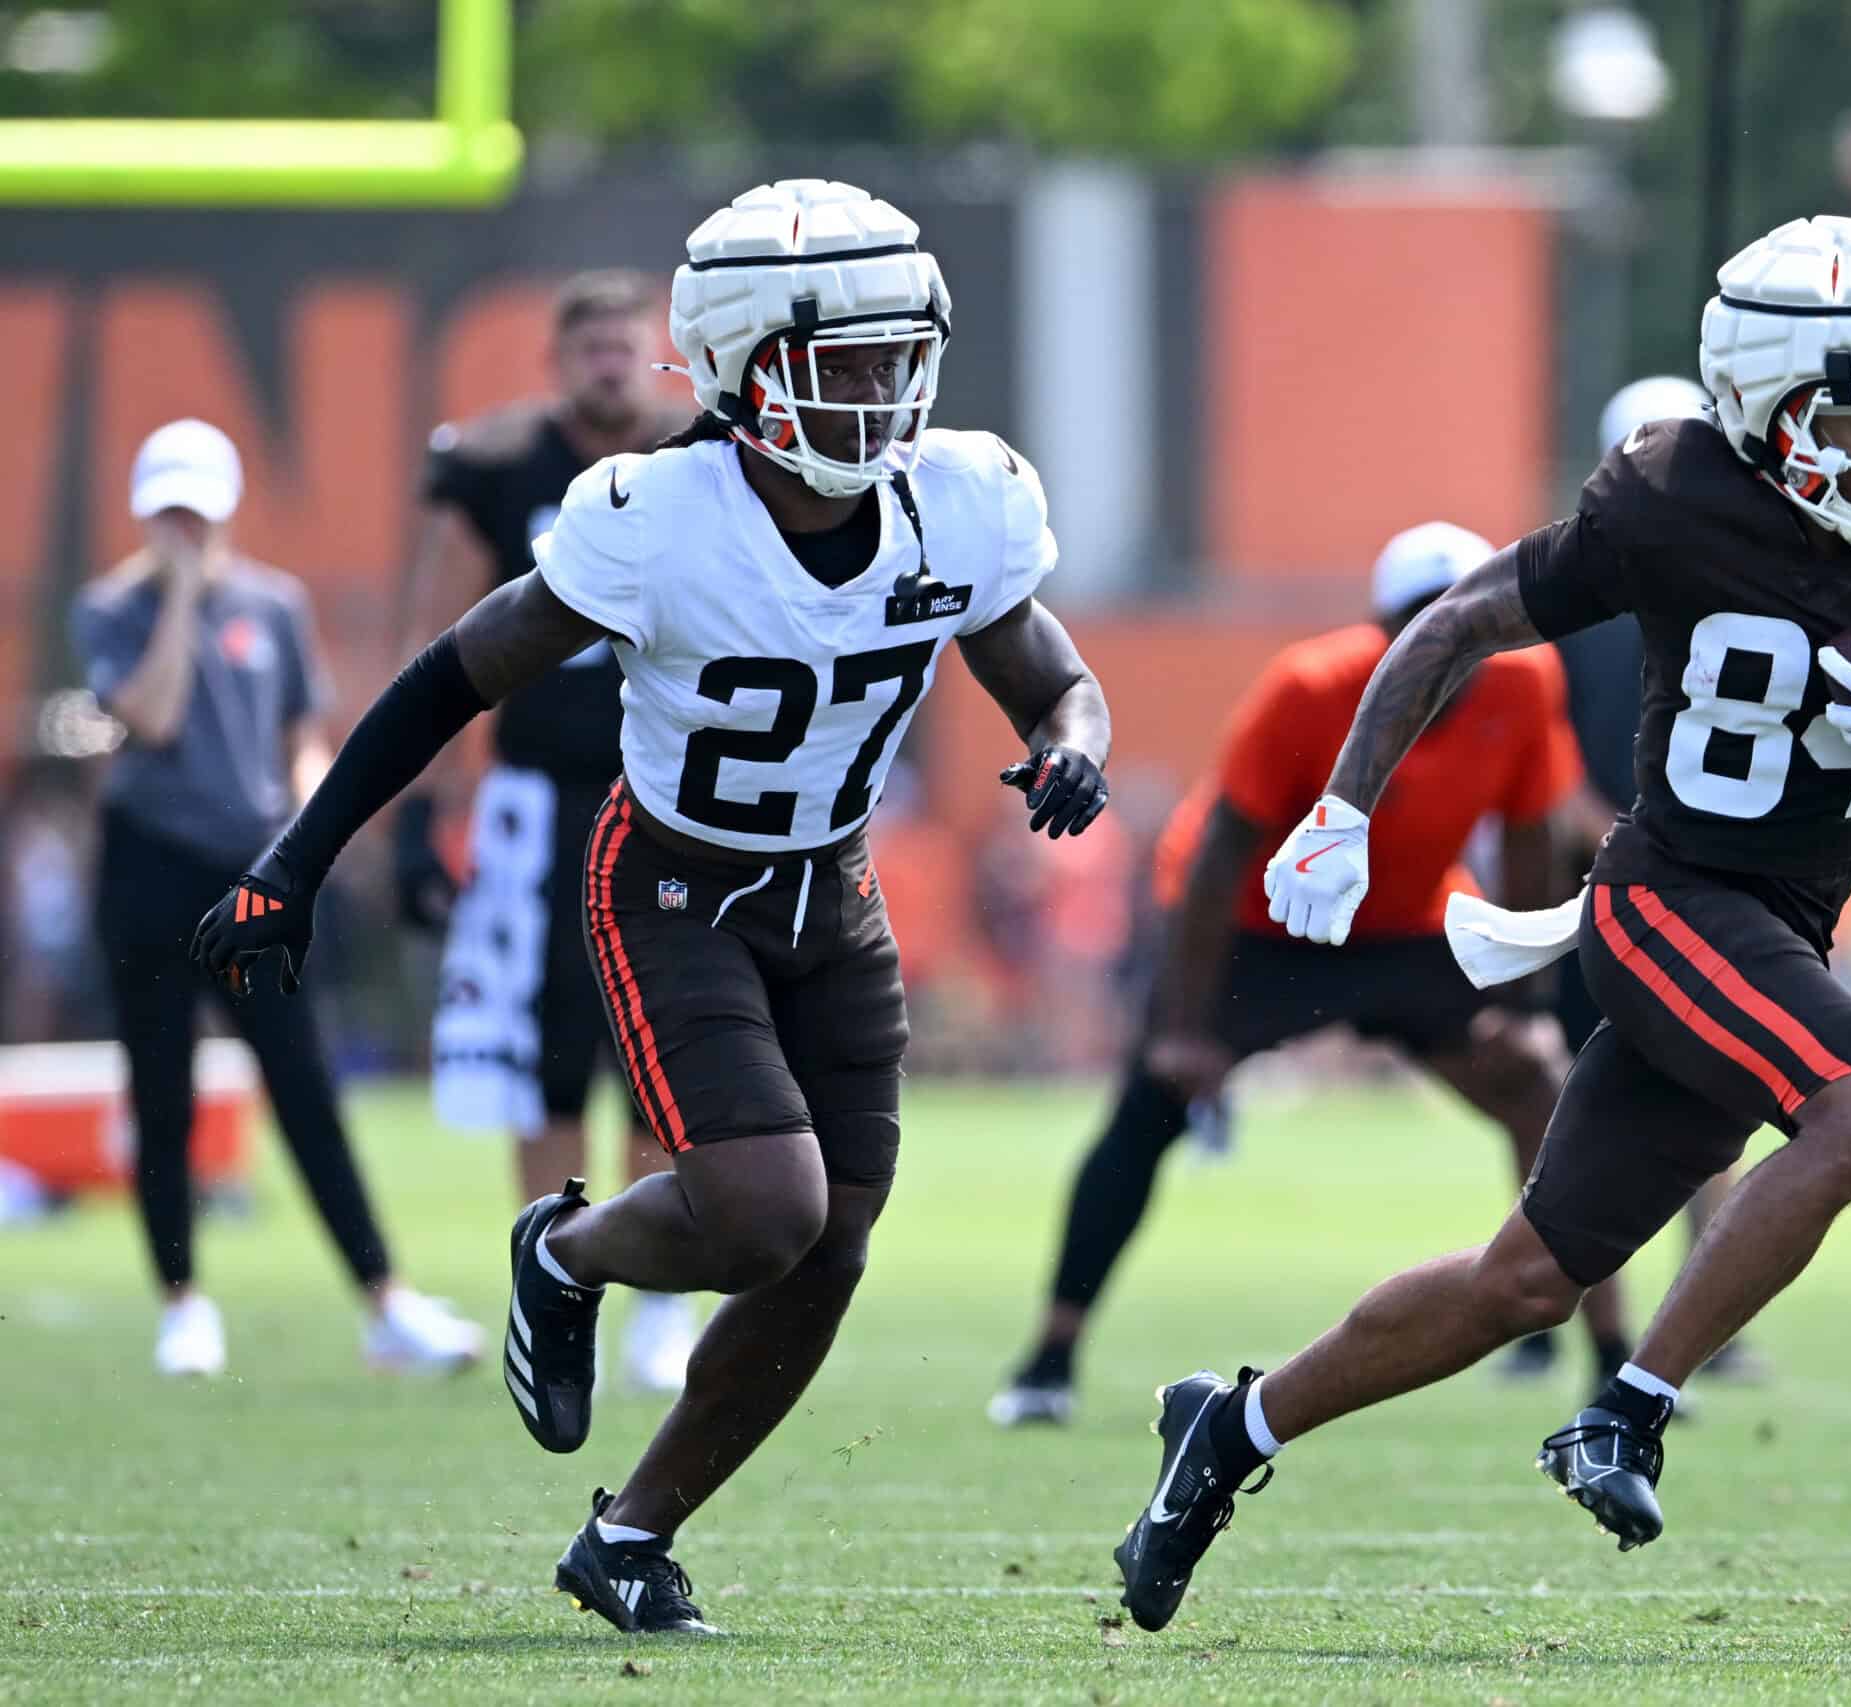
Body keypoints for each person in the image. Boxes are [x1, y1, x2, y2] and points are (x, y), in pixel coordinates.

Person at [1105, 215, 1851, 1631]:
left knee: (1522, 1276)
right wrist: (1344, 807)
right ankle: (1630, 1409)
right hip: (1666, 898)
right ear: (1769, 411)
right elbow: (1459, 617)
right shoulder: (1672, 497)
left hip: (1778, 927)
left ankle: (1228, 1426)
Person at [192, 179, 1113, 1637]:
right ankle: (561, 1250)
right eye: (848, 360)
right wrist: (296, 860)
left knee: (835, 1245)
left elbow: (1048, 668)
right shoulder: (656, 516)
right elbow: (452, 672)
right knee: (766, 1210)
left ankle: (628, 1530)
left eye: (897, 357)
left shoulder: (962, 495)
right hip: (676, 881)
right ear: (750, 370)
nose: (884, 392)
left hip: (837, 889)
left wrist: (1075, 740)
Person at [989, 521, 1621, 1427]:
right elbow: (1219, 848)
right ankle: (1050, 1354)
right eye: (1419, 624)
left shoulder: (1524, 683)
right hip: (1264, 923)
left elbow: (1530, 831)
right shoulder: (1312, 687)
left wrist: (1520, 1001)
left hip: (1407, 923)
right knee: (1149, 1106)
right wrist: (1184, 1024)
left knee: (1538, 1080)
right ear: (1385, 629)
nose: (1443, 647)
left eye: (1461, 624)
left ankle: (1603, 1352)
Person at [77, 418, 485, 1380]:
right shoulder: (110, 609)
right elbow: (153, 713)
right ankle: (182, 1301)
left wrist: (312, 826)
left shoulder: (275, 603)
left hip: (248, 869)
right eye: (166, 508)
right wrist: (178, 598)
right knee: (162, 1088)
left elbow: (301, 729)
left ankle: (385, 1299)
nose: (182, 525)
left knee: (304, 1088)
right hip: (148, 865)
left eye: (194, 507)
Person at [395, 271, 699, 1394]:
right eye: (591, 346)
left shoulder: (689, 465)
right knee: (549, 1066)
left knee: (665, 1056)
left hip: (667, 798)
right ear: (559, 361)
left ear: (655, 355)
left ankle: (660, 1305)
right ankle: (556, 1275)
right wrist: (426, 814)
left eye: (627, 345)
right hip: (539, 807)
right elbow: (442, 651)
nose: (610, 363)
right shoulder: (503, 471)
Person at [1500, 374, 1765, 1392]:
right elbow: (1543, 746)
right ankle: (1536, 1314)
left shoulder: (1738, 586)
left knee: (1709, 1112)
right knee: (1560, 1105)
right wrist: (1605, 835)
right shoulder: (1574, 597)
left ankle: (1707, 1323)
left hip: (1684, 886)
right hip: (1593, 894)